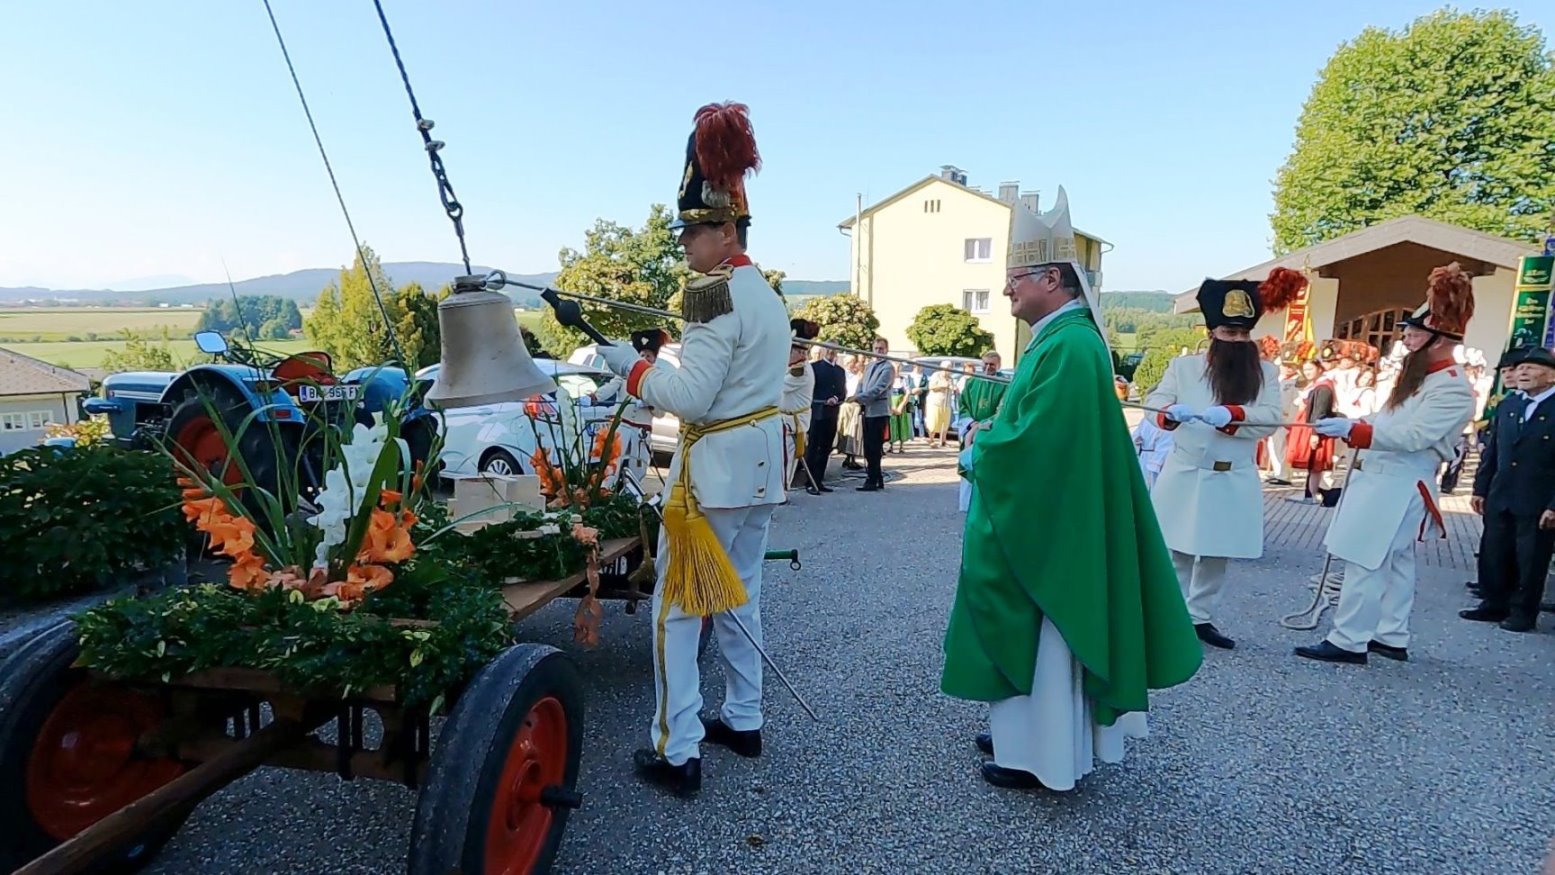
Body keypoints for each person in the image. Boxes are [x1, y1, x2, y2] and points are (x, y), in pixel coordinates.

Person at [942, 188, 1202, 792]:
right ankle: (1027, 730)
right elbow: (1036, 424)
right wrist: (998, 425)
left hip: (1053, 528)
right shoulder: (1062, 340)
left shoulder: (1070, 345)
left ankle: (1039, 750)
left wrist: (985, 442)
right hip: (1058, 518)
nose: (1007, 289)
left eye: (1014, 278)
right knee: (1037, 634)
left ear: (1051, 278)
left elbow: (1041, 443)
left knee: (1045, 627)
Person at [594, 102, 788, 795]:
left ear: (725, 229)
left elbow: (691, 398)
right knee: (740, 599)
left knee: (677, 612)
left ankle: (678, 748)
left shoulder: (708, 294)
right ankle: (743, 715)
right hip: (762, 469)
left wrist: (629, 364)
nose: (683, 243)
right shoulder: (763, 293)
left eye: (692, 230)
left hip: (713, 475)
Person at [1295, 263, 1477, 664]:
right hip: (1385, 480)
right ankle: (1391, 634)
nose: (1407, 337)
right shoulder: (1422, 379)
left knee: (1365, 558)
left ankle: (1349, 639)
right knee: (1395, 564)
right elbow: (1391, 421)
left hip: (1400, 483)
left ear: (1441, 337)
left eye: (1415, 331)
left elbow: (1415, 437)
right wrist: (1353, 423)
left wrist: (1357, 433)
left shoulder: (1452, 388)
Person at [1145, 268, 1299, 650]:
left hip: (1231, 473)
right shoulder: (1184, 367)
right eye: (1229, 333)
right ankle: (1169, 617)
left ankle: (1201, 618)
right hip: (1185, 470)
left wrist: (1236, 417)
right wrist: (1167, 413)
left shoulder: (1264, 371)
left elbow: (1271, 418)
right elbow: (1151, 402)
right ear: (1212, 332)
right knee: (1175, 549)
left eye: (1243, 334)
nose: (1237, 340)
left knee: (1215, 552)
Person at [1460, 346, 1555, 633]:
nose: (1523, 372)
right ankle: (1493, 603)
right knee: (1494, 550)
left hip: (1538, 497)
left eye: (1532, 367)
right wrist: (1480, 488)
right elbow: (1493, 452)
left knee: (1530, 558)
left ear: (1551, 375)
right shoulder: (1509, 405)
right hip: (1502, 492)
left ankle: (1523, 612)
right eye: (1521, 367)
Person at [956, 351, 1008, 512]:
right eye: (985, 364)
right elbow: (963, 405)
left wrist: (984, 424)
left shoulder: (1004, 384)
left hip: (990, 431)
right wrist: (972, 424)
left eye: (991, 364)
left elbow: (1004, 408)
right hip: (970, 430)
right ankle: (966, 505)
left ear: (998, 365)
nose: (987, 368)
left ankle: (986, 506)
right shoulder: (971, 383)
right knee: (969, 467)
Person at [1285, 359, 1338, 505]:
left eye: (1310, 369)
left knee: (1315, 461)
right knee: (1312, 462)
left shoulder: (1323, 387)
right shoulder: (1317, 386)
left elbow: (1319, 411)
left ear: (1319, 369)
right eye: (1305, 370)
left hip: (1315, 428)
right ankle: (1309, 493)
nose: (1307, 372)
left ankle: (1312, 494)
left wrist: (1315, 433)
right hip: (1309, 426)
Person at [849, 337, 895, 492]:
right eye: (876, 349)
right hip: (867, 411)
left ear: (886, 350)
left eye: (881, 349)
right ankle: (876, 477)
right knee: (868, 446)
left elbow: (879, 388)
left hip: (879, 412)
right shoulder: (869, 366)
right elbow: (861, 384)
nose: (878, 352)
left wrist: (860, 398)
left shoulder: (888, 368)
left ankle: (872, 479)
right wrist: (857, 396)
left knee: (874, 446)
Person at [780, 319, 818, 491]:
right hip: (784, 420)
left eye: (790, 351)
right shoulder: (793, 367)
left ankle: (782, 492)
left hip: (792, 423)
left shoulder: (800, 372)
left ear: (799, 352)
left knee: (784, 462)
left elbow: (776, 386)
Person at [804, 346, 845, 494]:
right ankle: (810, 481)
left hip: (832, 414)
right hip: (817, 413)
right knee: (813, 448)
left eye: (834, 350)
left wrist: (836, 398)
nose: (831, 352)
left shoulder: (840, 371)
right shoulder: (814, 367)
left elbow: (842, 392)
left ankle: (819, 480)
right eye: (829, 349)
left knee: (826, 448)